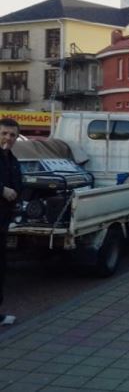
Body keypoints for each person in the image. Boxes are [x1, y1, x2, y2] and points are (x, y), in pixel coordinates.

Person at [0, 117, 21, 326]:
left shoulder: (12, 159)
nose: (8, 138)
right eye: (4, 133)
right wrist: (2, 190)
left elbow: (18, 185)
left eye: (12, 135)